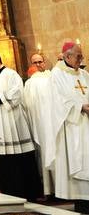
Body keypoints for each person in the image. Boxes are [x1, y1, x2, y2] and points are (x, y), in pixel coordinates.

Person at [0, 48, 41, 200]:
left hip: (12, 121)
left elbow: (18, 93)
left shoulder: (11, 74)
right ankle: (10, 192)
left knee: (19, 157)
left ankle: (28, 192)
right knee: (4, 159)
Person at [47, 40, 89, 201]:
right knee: (78, 158)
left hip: (87, 123)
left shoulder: (84, 74)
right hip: (72, 126)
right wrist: (80, 107)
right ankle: (80, 197)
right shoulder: (56, 74)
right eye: (78, 56)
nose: (81, 59)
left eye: (81, 56)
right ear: (67, 56)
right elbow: (57, 101)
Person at [23, 52, 54, 196]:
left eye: (40, 61)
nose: (38, 64)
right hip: (40, 123)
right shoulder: (30, 83)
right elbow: (27, 105)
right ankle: (47, 188)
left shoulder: (53, 78)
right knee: (43, 152)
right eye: (35, 62)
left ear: (45, 62)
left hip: (55, 122)